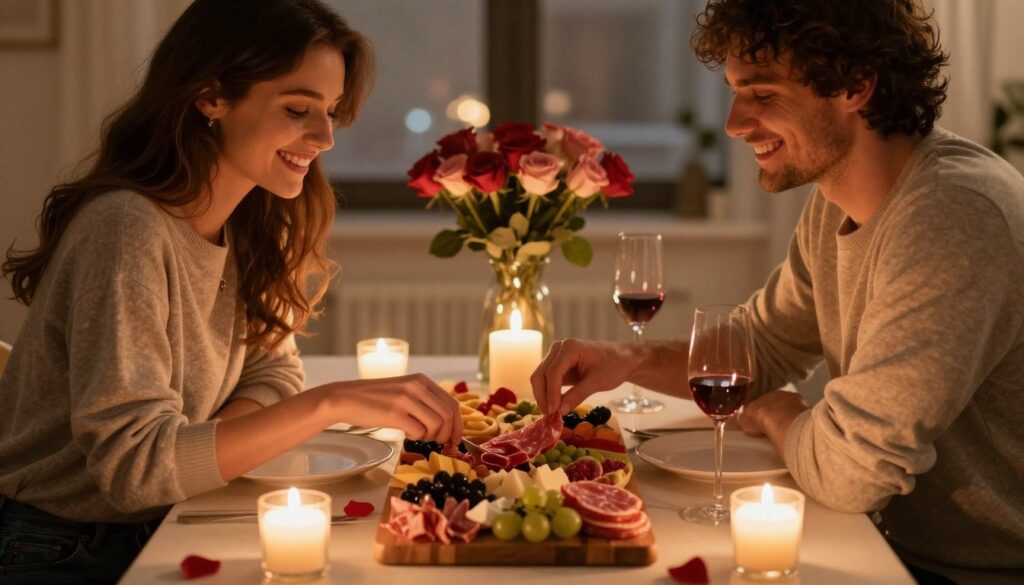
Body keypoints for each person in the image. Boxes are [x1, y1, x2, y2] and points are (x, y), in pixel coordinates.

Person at [531, 1, 1024, 583]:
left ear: (856, 85)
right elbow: (759, 348)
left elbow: (852, 470)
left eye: (762, 94)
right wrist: (627, 359)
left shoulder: (953, 216)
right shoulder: (835, 202)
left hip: (979, 569)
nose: (734, 124)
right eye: (736, 93)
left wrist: (783, 414)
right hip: (891, 544)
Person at [0, 1, 461, 582]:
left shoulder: (251, 218)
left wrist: (203, 445)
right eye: (298, 109)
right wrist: (329, 404)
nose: (325, 138)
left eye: (331, 112)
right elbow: (135, 472)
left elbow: (273, 372)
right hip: (66, 548)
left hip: (167, 515)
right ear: (210, 97)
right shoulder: (126, 231)